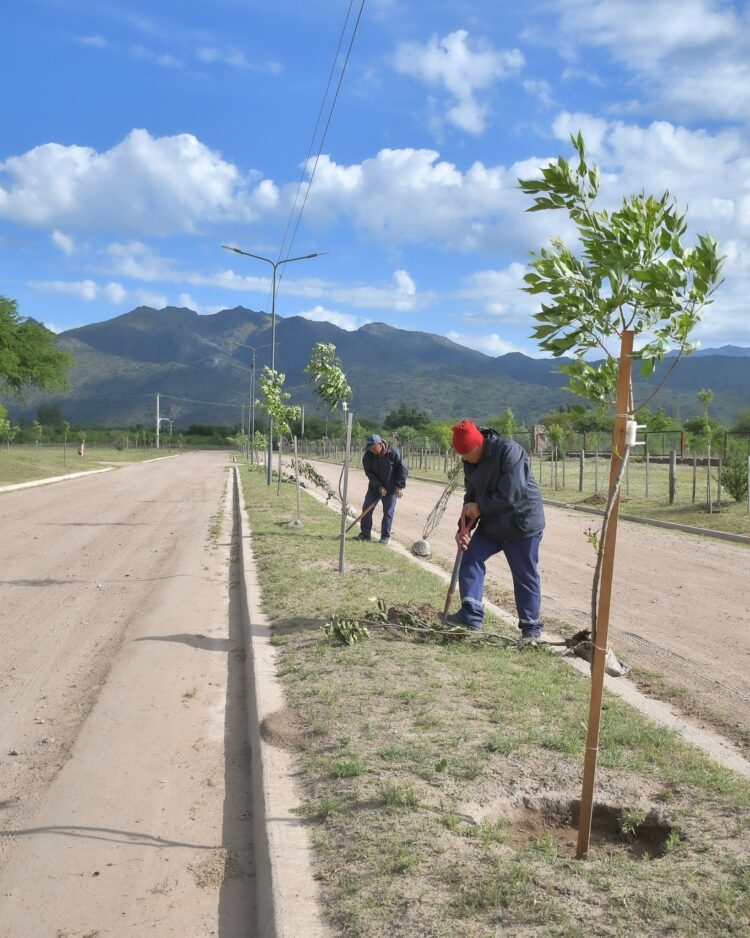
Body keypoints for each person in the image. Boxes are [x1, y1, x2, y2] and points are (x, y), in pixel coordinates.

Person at [447, 419, 545, 641]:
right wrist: (463, 527)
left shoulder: (509, 451)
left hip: (522, 523)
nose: (463, 459)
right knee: (471, 557)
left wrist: (480, 507)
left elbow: (511, 493)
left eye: (465, 454)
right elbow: (470, 495)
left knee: (524, 574)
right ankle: (471, 615)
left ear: (476, 445)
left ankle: (531, 629)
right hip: (492, 525)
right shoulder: (470, 462)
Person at [354, 434, 408, 544]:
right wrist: (378, 486)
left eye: (373, 448)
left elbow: (403, 470)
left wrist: (399, 486)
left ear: (379, 444)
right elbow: (369, 473)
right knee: (366, 509)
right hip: (374, 488)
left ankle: (384, 536)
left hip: (391, 489)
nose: (371, 450)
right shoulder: (368, 456)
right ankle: (365, 534)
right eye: (369, 448)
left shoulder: (393, 453)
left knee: (388, 512)